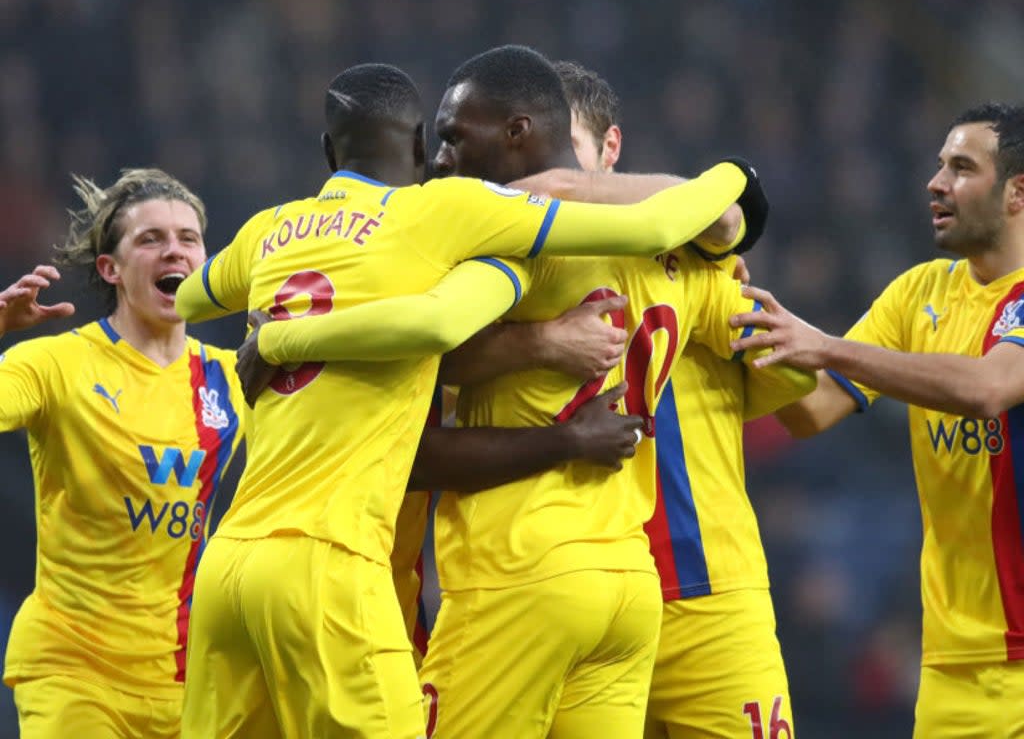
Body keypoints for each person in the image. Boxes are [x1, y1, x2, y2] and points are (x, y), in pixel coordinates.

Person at [174, 62, 759, 738]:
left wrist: (275, 336)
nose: (448, 159)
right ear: (416, 147)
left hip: (308, 560)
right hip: (621, 582)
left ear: (330, 151)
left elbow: (189, 298)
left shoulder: (272, 229)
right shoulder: (462, 222)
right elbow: (674, 232)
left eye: (458, 139)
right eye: (440, 142)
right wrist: (736, 178)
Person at [729, 102, 1024, 738]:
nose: (935, 182)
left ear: (1017, 193)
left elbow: (990, 388)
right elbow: (812, 412)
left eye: (962, 168)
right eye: (940, 164)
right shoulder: (919, 294)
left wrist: (825, 344)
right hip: (951, 669)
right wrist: (734, 318)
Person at [552, 58, 802, 739]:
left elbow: (795, 384)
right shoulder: (506, 270)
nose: (552, 175)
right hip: (571, 596)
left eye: (566, 149)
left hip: (706, 590)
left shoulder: (690, 255)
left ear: (610, 150)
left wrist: (722, 268)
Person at [0, 169, 245, 739]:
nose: (173, 251)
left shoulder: (231, 378)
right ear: (111, 269)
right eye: (150, 239)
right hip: (73, 671)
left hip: (185, 679)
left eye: (188, 238)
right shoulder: (55, 365)